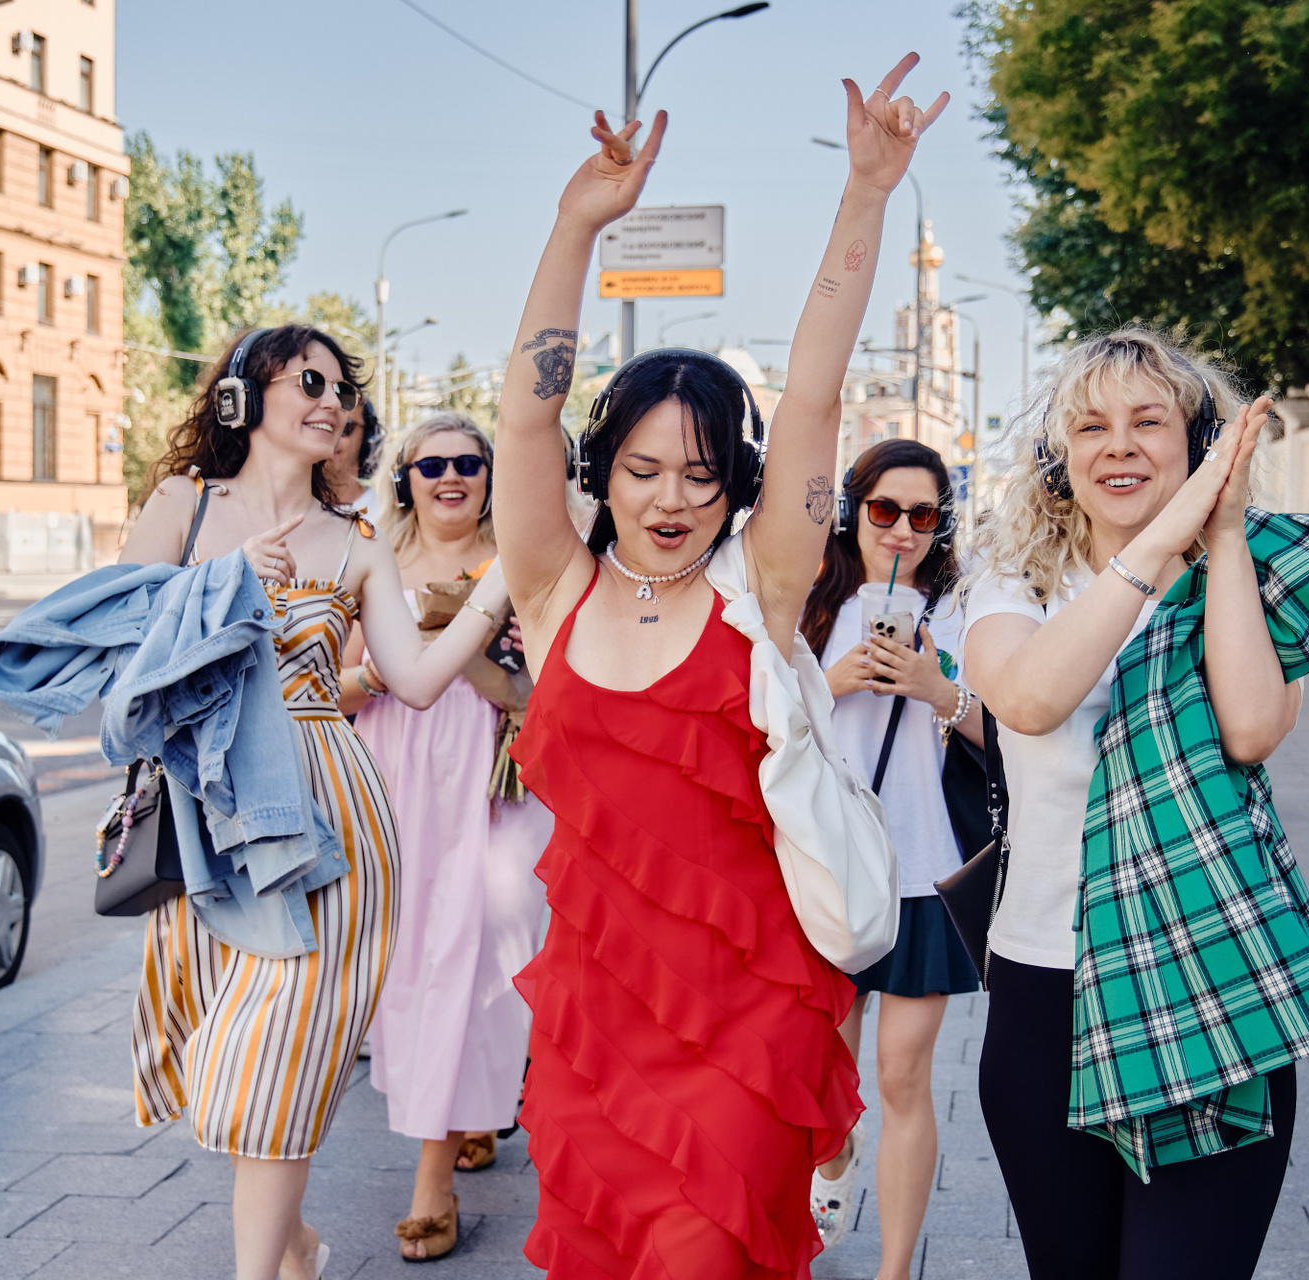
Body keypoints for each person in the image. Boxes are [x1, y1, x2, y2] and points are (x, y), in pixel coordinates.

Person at [489, 60, 946, 1278]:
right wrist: (576, 224)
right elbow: (524, 418)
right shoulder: (553, 587)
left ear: (732, 485)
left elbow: (813, 398)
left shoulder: (763, 588)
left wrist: (866, 194)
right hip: (592, 1027)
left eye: (700, 474)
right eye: (642, 471)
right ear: (604, 475)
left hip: (747, 1021)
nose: (671, 499)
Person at [962, 327, 1309, 1279]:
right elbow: (1026, 699)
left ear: (1200, 442)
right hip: (1046, 993)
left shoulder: (1248, 576)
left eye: (1148, 421)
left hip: (1205, 978)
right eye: (1091, 426)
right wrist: (1154, 544)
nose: (1120, 446)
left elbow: (1252, 728)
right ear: (1059, 457)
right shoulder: (1017, 584)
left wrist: (1218, 536)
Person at [116, 325, 515, 1280]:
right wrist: (220, 588)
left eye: (342, 389)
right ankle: (293, 1243)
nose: (332, 401)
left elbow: (416, 681)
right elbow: (111, 652)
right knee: (226, 1053)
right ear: (241, 395)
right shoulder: (184, 507)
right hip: (206, 813)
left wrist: (501, 584)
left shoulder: (358, 544)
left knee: (280, 1053)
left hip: (330, 820)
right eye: (309, 381)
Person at [334, 412, 552, 1261]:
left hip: (493, 785)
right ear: (405, 479)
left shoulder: (520, 562)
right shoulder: (372, 559)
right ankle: (470, 1113)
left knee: (482, 958)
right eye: (432, 466)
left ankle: (434, 1185)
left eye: (468, 463)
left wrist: (476, 644)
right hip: (396, 781)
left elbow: (535, 695)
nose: (450, 476)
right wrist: (383, 669)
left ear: (492, 476)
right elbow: (329, 688)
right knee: (413, 966)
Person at [801, 439, 983, 1270]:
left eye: (923, 514)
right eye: (884, 509)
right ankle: (834, 1159)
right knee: (826, 1076)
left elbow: (1008, 730)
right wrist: (830, 681)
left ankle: (895, 1267)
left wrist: (937, 688)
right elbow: (756, 721)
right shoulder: (808, 603)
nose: (902, 529)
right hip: (830, 868)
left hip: (923, 868)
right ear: (853, 511)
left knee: (903, 1076)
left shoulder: (962, 611)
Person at [327, 394, 382, 518]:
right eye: (324, 426)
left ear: (367, 438)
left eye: (345, 427)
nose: (331, 438)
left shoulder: (385, 515)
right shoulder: (290, 509)